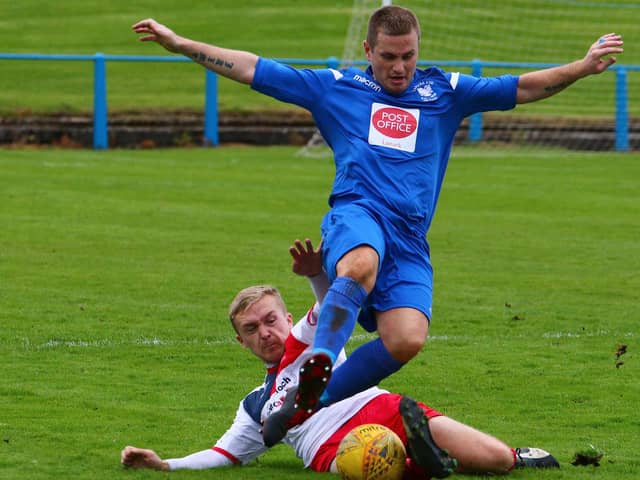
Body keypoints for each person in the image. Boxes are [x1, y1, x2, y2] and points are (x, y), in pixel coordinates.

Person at [132, 6, 624, 446]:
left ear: (418, 50)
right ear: (368, 50)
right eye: (388, 56)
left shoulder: (445, 92)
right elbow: (254, 68)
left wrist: (582, 67)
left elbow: (521, 88)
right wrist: (182, 45)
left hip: (410, 239)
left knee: (407, 338)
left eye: (408, 56)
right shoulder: (337, 88)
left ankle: (307, 402)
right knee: (361, 260)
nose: (399, 67)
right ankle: (319, 365)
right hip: (357, 212)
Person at [121, 239, 560, 478]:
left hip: (382, 408)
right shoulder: (255, 404)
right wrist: (166, 464)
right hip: (336, 447)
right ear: (242, 344)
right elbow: (224, 455)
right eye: (252, 330)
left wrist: (316, 273)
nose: (266, 333)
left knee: (495, 461)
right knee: (372, 461)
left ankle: (505, 456)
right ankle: (422, 463)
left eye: (270, 319)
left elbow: (336, 303)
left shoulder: (308, 340)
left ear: (287, 317)